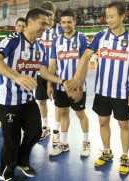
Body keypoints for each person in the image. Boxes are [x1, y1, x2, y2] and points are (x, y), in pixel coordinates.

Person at [0, 8, 69, 181]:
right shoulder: (12, 40)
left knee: (34, 133)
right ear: (30, 22)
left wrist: (61, 81)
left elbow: (43, 71)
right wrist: (17, 76)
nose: (45, 28)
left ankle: (22, 161)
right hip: (8, 100)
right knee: (11, 142)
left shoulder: (40, 47)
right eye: (42, 24)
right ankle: (5, 171)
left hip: (27, 99)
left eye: (47, 24)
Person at [67, 2, 129, 175]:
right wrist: (76, 79)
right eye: (107, 16)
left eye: (112, 16)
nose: (108, 20)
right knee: (103, 122)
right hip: (102, 91)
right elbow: (85, 56)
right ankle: (107, 152)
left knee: (123, 124)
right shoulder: (101, 36)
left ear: (123, 16)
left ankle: (124, 156)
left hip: (123, 92)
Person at [47, 10, 90, 157]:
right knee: (64, 113)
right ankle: (64, 143)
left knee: (80, 114)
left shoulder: (82, 39)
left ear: (74, 22)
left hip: (76, 87)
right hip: (60, 86)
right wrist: (49, 85)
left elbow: (85, 65)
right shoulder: (56, 41)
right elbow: (52, 65)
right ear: (60, 23)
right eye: (64, 22)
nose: (66, 25)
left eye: (69, 22)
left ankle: (86, 142)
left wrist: (79, 86)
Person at [37, 1, 64, 144]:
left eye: (51, 14)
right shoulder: (38, 30)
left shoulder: (61, 30)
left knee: (58, 103)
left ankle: (57, 130)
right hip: (40, 72)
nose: (48, 17)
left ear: (55, 14)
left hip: (56, 73)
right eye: (46, 14)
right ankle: (45, 126)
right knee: (41, 100)